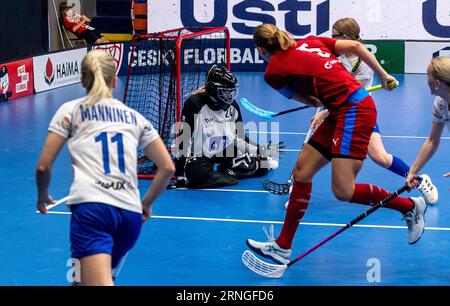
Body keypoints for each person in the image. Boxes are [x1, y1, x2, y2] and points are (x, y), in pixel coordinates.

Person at [246, 24, 427, 265]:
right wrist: (383, 76)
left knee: (343, 190)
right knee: (302, 171)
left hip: (354, 111)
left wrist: (320, 98)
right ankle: (282, 246)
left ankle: (409, 206)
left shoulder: (273, 72)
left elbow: (311, 101)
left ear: (260, 49)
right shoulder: (311, 41)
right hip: (341, 110)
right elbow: (355, 46)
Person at [35, 50, 175, 285]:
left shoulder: (71, 110)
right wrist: (146, 204)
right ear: (114, 80)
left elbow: (43, 167)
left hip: (93, 211)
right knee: (80, 279)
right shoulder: (134, 117)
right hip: (130, 215)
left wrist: (41, 195)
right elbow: (167, 167)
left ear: (82, 80)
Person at [306, 18, 438, 204]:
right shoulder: (333, 56)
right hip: (334, 114)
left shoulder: (363, 63)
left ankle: (418, 178)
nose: (331, 39)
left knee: (380, 157)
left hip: (356, 115)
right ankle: (298, 193)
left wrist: (323, 113)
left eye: (334, 36)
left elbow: (346, 95)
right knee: (311, 156)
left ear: (344, 37)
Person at [174, 65, 281, 189]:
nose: (229, 96)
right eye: (225, 91)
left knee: (262, 168)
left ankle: (233, 169)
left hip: (224, 148)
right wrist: (180, 175)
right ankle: (228, 173)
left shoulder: (233, 107)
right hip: (200, 153)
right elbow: (184, 139)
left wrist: (259, 149)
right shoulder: (194, 104)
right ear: (213, 89)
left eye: (230, 91)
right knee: (196, 174)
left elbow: (239, 137)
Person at [406, 56, 450, 189]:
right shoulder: (440, 103)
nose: (426, 79)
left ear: (437, 83)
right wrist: (413, 171)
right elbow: (432, 140)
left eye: (427, 75)